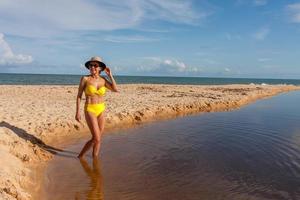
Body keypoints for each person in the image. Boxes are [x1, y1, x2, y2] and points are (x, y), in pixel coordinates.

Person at [75, 56, 118, 158]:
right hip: (90, 109)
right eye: (91, 65)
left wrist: (110, 75)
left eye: (95, 65)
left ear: (100, 68)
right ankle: (80, 156)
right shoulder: (85, 79)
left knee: (97, 139)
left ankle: (95, 160)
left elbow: (115, 89)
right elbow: (79, 96)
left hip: (101, 109)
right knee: (97, 138)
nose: (93, 67)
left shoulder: (103, 80)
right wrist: (77, 112)